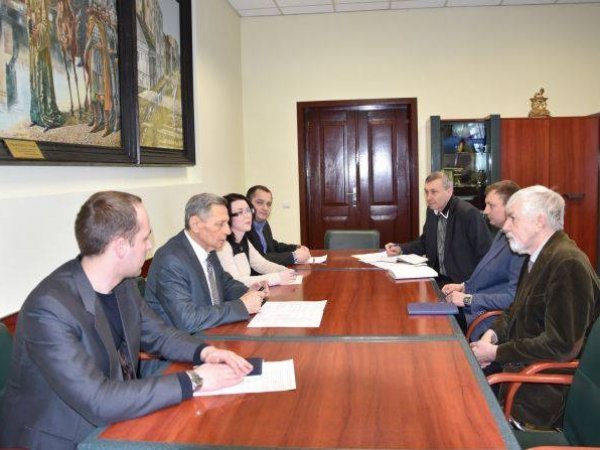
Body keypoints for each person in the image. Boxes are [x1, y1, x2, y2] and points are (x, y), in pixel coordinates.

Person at [0, 191, 252, 449]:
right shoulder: (49, 309)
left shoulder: (124, 284)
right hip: (63, 437)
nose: (150, 246)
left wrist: (206, 352)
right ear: (120, 246)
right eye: (145, 238)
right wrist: (195, 380)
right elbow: (99, 401)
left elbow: (159, 335)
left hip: (115, 415)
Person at [470, 185, 600, 429]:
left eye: (513, 218)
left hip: (541, 391)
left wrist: (496, 353)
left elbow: (561, 346)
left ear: (540, 222)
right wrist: (493, 335)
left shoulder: (568, 264)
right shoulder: (535, 255)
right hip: (518, 373)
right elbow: (514, 310)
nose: (505, 227)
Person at [144, 193, 267, 334]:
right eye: (220, 224)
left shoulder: (208, 246)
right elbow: (187, 320)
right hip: (181, 341)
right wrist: (242, 306)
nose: (227, 230)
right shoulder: (171, 260)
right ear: (195, 224)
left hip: (212, 332)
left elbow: (225, 283)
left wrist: (248, 291)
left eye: (227, 223)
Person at [442, 181, 525, 340]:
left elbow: (514, 298)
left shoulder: (520, 243)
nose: (485, 211)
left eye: (491, 205)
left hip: (490, 323)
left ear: (511, 207)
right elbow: (490, 276)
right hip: (476, 312)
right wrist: (463, 286)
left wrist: (468, 299)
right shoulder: (502, 233)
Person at [384, 171, 492, 286]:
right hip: (436, 278)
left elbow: (486, 254)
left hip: (460, 283)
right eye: (426, 192)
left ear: (449, 191)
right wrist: (400, 248)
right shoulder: (432, 210)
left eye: (434, 192)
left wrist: (468, 286)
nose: (428, 197)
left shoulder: (467, 213)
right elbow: (425, 242)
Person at [218, 193, 297, 287]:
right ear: (227, 217)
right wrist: (278, 278)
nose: (247, 216)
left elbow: (261, 264)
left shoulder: (243, 239)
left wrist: (285, 271)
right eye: (240, 212)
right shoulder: (222, 245)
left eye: (248, 210)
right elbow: (235, 282)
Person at [246, 185, 311, 265]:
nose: (265, 208)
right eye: (259, 202)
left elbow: (273, 246)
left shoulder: (264, 224)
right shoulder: (242, 228)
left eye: (268, 204)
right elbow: (258, 259)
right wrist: (294, 256)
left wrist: (295, 247)